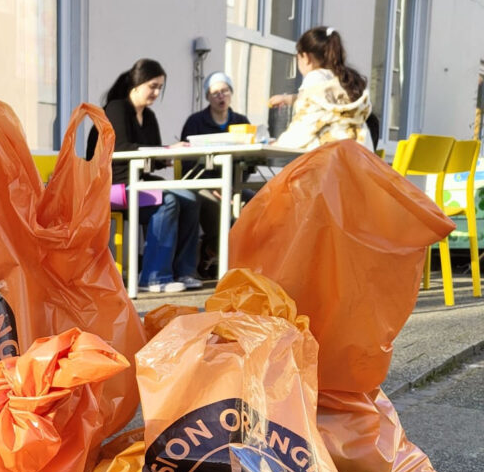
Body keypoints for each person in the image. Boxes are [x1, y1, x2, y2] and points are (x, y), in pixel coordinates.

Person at [86, 58, 201, 293]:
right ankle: (154, 277)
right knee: (167, 201)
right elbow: (119, 149)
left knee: (190, 197)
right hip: (111, 185)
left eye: (160, 87)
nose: (156, 92)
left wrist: (167, 156)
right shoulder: (116, 108)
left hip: (137, 182)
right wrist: (166, 151)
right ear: (137, 84)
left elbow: (150, 159)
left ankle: (184, 271)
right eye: (153, 86)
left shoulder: (149, 117)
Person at [180, 72, 252, 278]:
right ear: (207, 97)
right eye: (215, 93)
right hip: (203, 184)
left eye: (225, 91)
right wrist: (214, 186)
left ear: (231, 93)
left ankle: (235, 259)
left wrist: (232, 187)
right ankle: (213, 251)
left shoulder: (241, 121)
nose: (221, 97)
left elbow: (248, 162)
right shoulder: (195, 122)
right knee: (213, 203)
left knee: (255, 202)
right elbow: (187, 162)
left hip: (232, 185)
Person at [269, 26, 371, 151]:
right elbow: (324, 102)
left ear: (306, 58)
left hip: (330, 158)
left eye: (298, 58)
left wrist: (279, 144)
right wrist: (288, 99)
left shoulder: (314, 77)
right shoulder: (346, 80)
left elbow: (305, 124)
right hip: (357, 154)